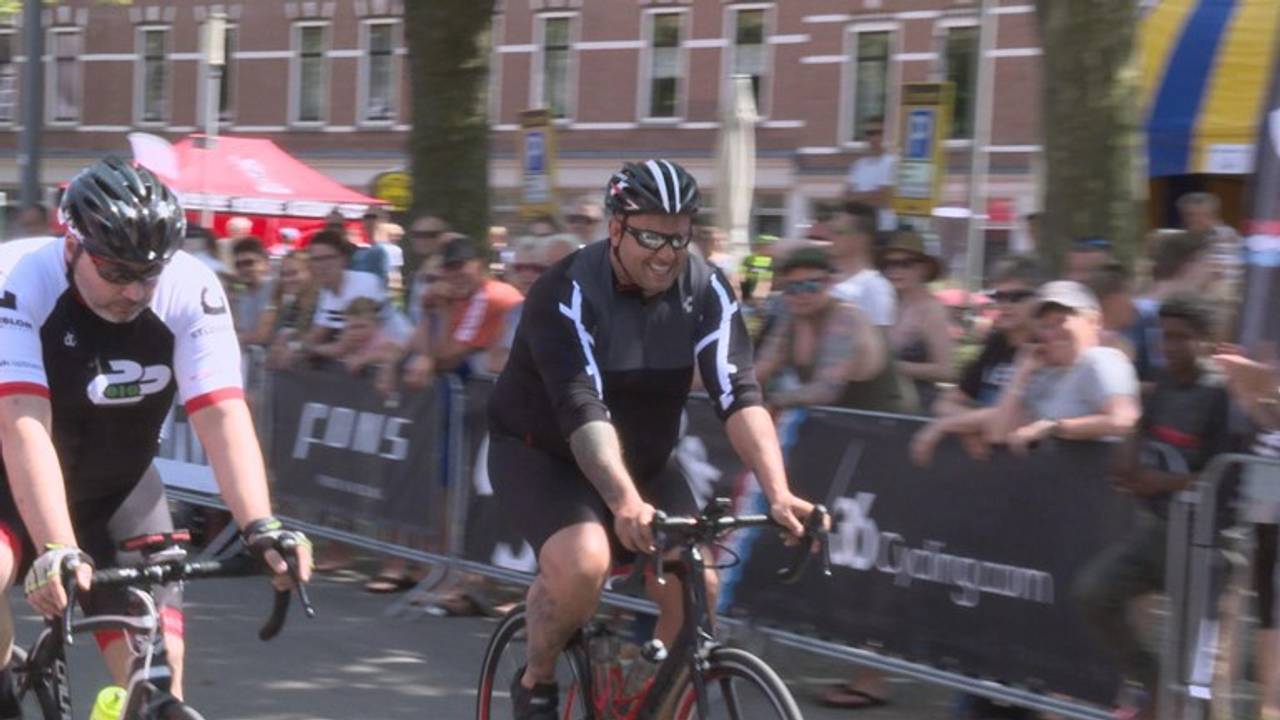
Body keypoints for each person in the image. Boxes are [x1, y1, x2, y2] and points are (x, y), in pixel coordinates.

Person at [487, 159, 818, 719]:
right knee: (584, 563)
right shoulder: (565, 290)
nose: (666, 253)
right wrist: (623, 502)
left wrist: (780, 492)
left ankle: (645, 702)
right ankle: (536, 679)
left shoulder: (707, 287)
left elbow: (738, 394)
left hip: (644, 457)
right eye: (650, 237)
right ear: (614, 227)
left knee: (700, 595)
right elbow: (580, 406)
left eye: (678, 237)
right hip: (544, 451)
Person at [0, 157, 311, 712]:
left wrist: (259, 524)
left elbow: (222, 413)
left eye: (151, 272)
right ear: (71, 246)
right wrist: (56, 548)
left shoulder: (190, 288)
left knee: (159, 690)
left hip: (119, 483)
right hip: (9, 472)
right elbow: (23, 422)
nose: (137, 290)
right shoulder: (19, 281)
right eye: (117, 271)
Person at [1073, 293, 1229, 720]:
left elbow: (1230, 476)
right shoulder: (1164, 382)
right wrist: (1127, 456)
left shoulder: (1221, 396)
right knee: (1093, 593)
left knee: (1192, 669)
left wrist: (1167, 481)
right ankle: (1151, 681)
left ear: (1208, 340)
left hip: (1206, 546)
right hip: (1158, 531)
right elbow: (1140, 427)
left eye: (1182, 337)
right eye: (1165, 335)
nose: (1170, 345)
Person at [912, 281, 1140, 465]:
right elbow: (999, 433)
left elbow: (1122, 419)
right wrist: (1021, 372)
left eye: (1062, 321)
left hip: (1095, 496)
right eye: (1045, 325)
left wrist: (1052, 426)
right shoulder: (1045, 373)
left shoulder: (1100, 360)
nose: (1053, 333)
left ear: (1094, 321)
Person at [754, 247, 887, 412]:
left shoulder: (845, 317)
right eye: (792, 287)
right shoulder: (790, 318)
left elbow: (827, 389)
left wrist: (773, 402)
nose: (802, 294)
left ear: (829, 283)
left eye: (812, 285)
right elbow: (761, 368)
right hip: (833, 418)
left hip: (884, 417)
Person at [402, 234, 523, 387]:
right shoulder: (461, 297)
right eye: (449, 268)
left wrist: (444, 311)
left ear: (478, 265)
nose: (454, 274)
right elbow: (416, 345)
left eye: (460, 265)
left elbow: (445, 362)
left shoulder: (490, 296)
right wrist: (428, 312)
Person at [880, 230, 954, 410]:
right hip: (882, 402)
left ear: (924, 268)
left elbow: (947, 371)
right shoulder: (887, 304)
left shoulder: (932, 310)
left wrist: (894, 368)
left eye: (905, 264)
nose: (895, 270)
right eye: (889, 264)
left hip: (916, 406)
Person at [487, 235, 578, 374]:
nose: (527, 275)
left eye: (535, 268)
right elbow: (494, 361)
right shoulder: (515, 311)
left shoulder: (572, 311)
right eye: (520, 268)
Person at [300, 229, 387, 364]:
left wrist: (309, 350)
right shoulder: (327, 293)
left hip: (399, 362)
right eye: (316, 260)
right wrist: (292, 346)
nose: (322, 265)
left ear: (343, 259)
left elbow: (347, 346)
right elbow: (317, 334)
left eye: (328, 258)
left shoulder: (366, 282)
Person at [823, 201, 896, 328]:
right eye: (831, 231)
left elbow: (880, 340)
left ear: (861, 239)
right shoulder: (826, 277)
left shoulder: (875, 286)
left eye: (839, 232)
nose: (830, 237)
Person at [1088, 261, 1161, 382]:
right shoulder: (1096, 345)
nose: (1133, 305)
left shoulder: (1149, 319)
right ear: (1111, 302)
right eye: (1128, 296)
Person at [263, 250, 319, 370]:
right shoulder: (289, 307)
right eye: (284, 275)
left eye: (293, 273)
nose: (287, 279)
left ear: (311, 272)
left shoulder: (321, 305)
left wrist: (293, 348)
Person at [844, 121, 897, 232]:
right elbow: (846, 197)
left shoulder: (892, 162)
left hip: (884, 227)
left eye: (878, 133)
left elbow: (884, 198)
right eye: (869, 134)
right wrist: (872, 195)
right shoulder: (858, 165)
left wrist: (856, 197)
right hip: (859, 228)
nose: (874, 138)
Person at [229, 237, 274, 347]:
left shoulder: (273, 289)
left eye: (249, 263)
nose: (243, 269)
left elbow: (262, 336)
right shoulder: (238, 291)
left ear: (265, 263)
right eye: (238, 265)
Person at [405, 215, 450, 325]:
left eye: (430, 235)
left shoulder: (451, 270)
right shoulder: (417, 272)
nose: (422, 240)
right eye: (416, 235)